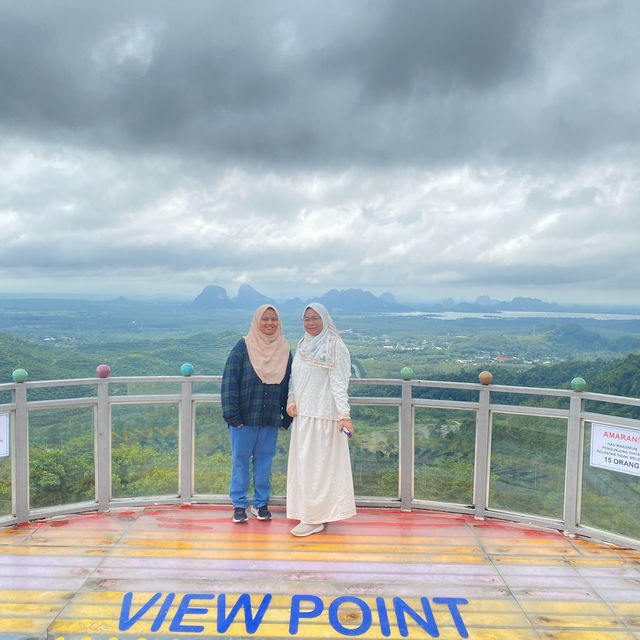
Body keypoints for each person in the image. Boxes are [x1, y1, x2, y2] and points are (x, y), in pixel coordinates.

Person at [286, 302, 356, 536]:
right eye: (307, 318)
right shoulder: (304, 343)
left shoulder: (335, 345)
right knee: (305, 469)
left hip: (324, 418)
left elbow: (339, 384)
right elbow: (295, 377)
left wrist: (344, 416)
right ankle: (308, 512)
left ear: (325, 319)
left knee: (318, 470)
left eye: (315, 318)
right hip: (304, 417)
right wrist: (291, 400)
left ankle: (314, 518)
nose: (311, 323)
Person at [221, 304, 292, 523]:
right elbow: (230, 380)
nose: (269, 323)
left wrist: (286, 417)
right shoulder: (243, 346)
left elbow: (290, 385)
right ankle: (240, 504)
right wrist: (233, 415)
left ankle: (261, 504)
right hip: (244, 418)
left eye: (273, 319)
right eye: (265, 319)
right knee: (240, 461)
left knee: (264, 462)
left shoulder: (285, 349)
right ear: (257, 321)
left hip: (270, 418)